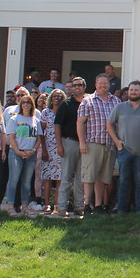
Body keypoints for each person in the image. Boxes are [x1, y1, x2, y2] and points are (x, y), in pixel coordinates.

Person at [77, 73, 121, 214]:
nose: (103, 86)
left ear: (109, 85)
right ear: (96, 85)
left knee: (103, 177)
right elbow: (80, 122)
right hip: (93, 143)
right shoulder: (88, 101)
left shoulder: (116, 101)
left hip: (110, 144)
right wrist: (82, 142)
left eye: (105, 83)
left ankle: (98, 205)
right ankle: (86, 204)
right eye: (100, 83)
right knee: (89, 176)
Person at [108, 81, 140, 214]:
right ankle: (122, 209)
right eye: (131, 90)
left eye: (136, 90)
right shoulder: (120, 107)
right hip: (124, 151)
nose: (133, 92)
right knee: (124, 181)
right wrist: (117, 142)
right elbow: (109, 124)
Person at [53, 76, 87, 217]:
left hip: (85, 144)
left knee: (81, 178)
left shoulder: (88, 103)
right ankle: (62, 207)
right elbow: (57, 125)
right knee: (66, 177)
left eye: (79, 85)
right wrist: (59, 145)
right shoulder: (66, 104)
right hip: (69, 142)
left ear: (84, 87)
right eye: (74, 85)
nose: (77, 87)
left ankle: (79, 207)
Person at [5, 94, 43, 215]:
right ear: (20, 105)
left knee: (26, 181)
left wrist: (33, 150)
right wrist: (18, 151)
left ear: (32, 105)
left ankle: (25, 206)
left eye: (28, 102)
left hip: (31, 154)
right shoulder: (14, 119)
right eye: (24, 102)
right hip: (16, 153)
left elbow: (39, 138)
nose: (26, 104)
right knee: (13, 179)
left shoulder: (35, 120)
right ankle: (10, 206)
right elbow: (11, 137)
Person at [39, 89, 65, 213]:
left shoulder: (64, 111)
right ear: (51, 98)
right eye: (54, 96)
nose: (57, 98)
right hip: (49, 147)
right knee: (48, 177)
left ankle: (57, 205)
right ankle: (46, 204)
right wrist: (44, 149)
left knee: (60, 177)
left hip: (61, 147)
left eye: (59, 96)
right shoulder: (46, 112)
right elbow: (41, 132)